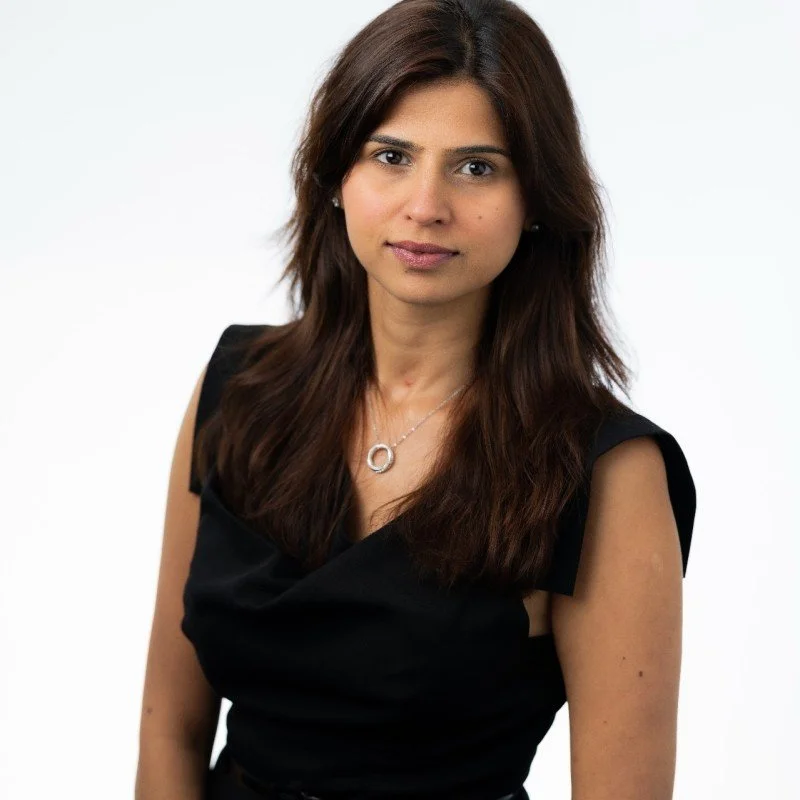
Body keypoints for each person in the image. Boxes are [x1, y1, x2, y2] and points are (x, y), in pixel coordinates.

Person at [136, 1, 697, 798]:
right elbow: (169, 728)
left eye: (477, 167)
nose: (426, 205)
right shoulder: (238, 389)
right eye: (392, 155)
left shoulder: (605, 472)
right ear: (336, 176)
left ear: (537, 200)